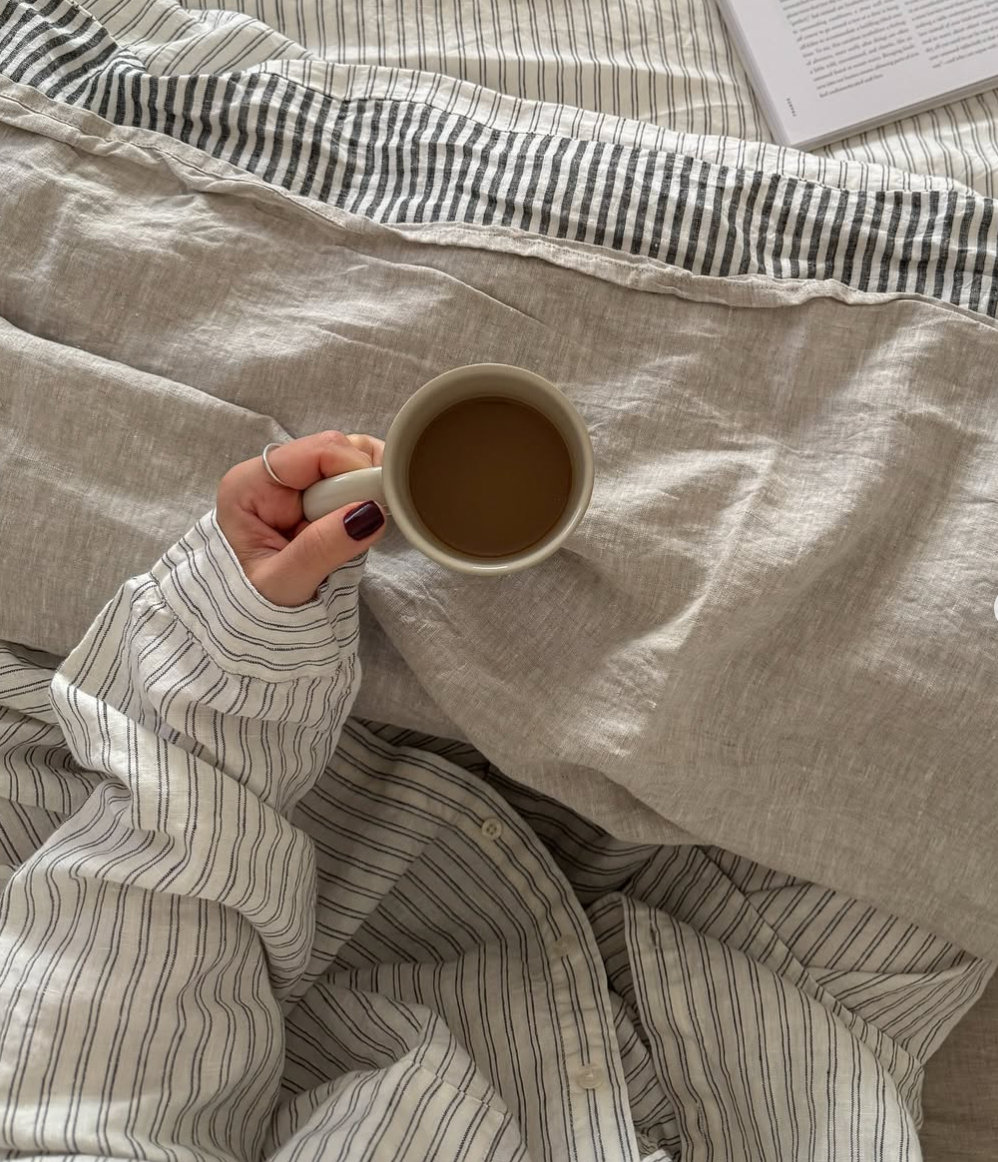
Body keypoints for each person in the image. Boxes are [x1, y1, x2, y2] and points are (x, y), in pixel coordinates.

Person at [0, 431, 992, 1162]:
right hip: (704, 929)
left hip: (231, 817)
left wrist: (237, 664)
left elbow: (116, 991)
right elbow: (813, 1041)